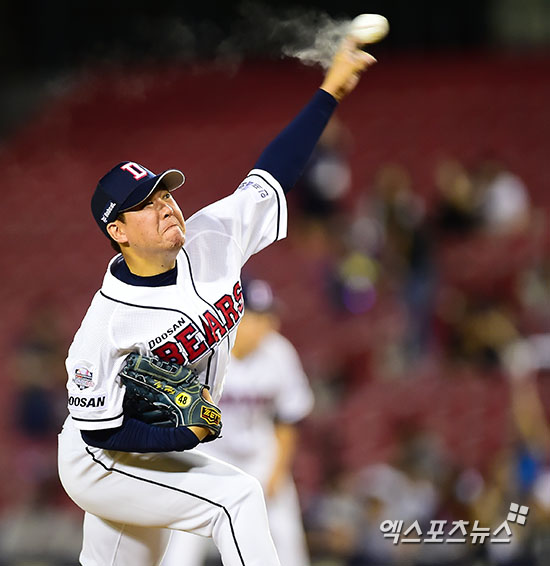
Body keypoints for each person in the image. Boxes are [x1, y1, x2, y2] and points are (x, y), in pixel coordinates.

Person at [57, 38, 376, 566]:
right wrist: (183, 434)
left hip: (149, 457)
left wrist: (330, 92)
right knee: (238, 498)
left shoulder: (214, 237)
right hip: (101, 461)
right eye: (145, 205)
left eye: (164, 193)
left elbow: (275, 170)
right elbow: (100, 429)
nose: (166, 206)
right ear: (118, 231)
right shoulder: (107, 324)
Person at [163, 279, 314, 566]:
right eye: (255, 317)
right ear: (233, 317)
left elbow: (288, 419)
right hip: (207, 455)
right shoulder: (202, 352)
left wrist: (277, 472)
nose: (265, 326)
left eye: (268, 317)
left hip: (259, 456)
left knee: (285, 539)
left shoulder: (279, 353)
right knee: (181, 544)